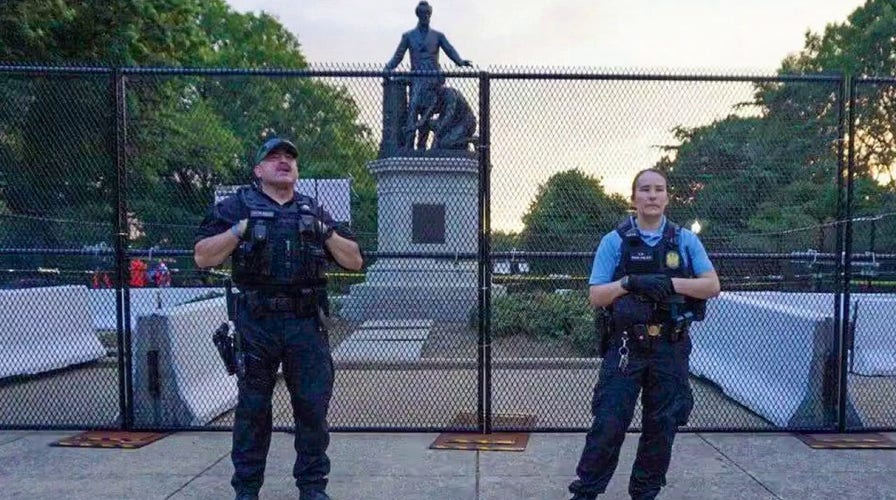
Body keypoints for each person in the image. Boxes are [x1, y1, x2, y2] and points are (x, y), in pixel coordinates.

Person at [194, 137, 363, 500]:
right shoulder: (238, 206)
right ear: (258, 170)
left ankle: (313, 489)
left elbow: (354, 260)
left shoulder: (314, 210)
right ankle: (247, 490)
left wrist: (325, 231)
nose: (283, 161)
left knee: (313, 410)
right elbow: (203, 257)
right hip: (257, 324)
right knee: (253, 410)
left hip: (305, 324)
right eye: (273, 157)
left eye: (289, 157)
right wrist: (239, 230)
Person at [568, 168, 720, 500]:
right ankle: (586, 492)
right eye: (645, 190)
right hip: (625, 347)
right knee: (608, 423)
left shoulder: (684, 240)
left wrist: (669, 284)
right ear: (634, 197)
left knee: (662, 425)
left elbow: (711, 285)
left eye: (659, 189)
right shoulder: (615, 241)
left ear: (667, 196)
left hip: (670, 345)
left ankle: (645, 492)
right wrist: (628, 283)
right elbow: (596, 295)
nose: (652, 196)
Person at [384, 1, 473, 150]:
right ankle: (408, 146)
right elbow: (398, 56)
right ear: (418, 15)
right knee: (413, 108)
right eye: (422, 14)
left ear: (430, 15)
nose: (425, 16)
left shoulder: (438, 36)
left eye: (427, 14)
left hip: (433, 81)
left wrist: (460, 62)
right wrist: (387, 68)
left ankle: (422, 146)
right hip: (417, 80)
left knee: (427, 112)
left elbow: (449, 50)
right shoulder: (408, 36)